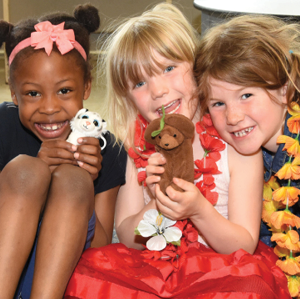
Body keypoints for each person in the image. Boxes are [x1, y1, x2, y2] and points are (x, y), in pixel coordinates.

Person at [64, 3, 290, 298]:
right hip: (152, 269)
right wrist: (156, 203)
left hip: (222, 272)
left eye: (169, 69)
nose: (158, 91)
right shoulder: (137, 150)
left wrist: (198, 210)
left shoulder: (234, 142)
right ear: (129, 98)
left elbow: (244, 243)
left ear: (196, 67)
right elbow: (128, 237)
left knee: (249, 288)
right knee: (86, 274)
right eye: (140, 83)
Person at [0, 4, 127, 299]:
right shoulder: (2, 123)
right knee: (27, 171)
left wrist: (81, 183)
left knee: (73, 180)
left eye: (64, 91)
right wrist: (38, 174)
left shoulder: (105, 148)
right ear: (13, 94)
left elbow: (102, 246)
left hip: (54, 283)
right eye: (32, 93)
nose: (49, 107)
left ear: (87, 87)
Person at [194, 14, 300, 297]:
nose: (232, 116)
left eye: (246, 95)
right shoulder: (235, 153)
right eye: (218, 103)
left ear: (284, 88)